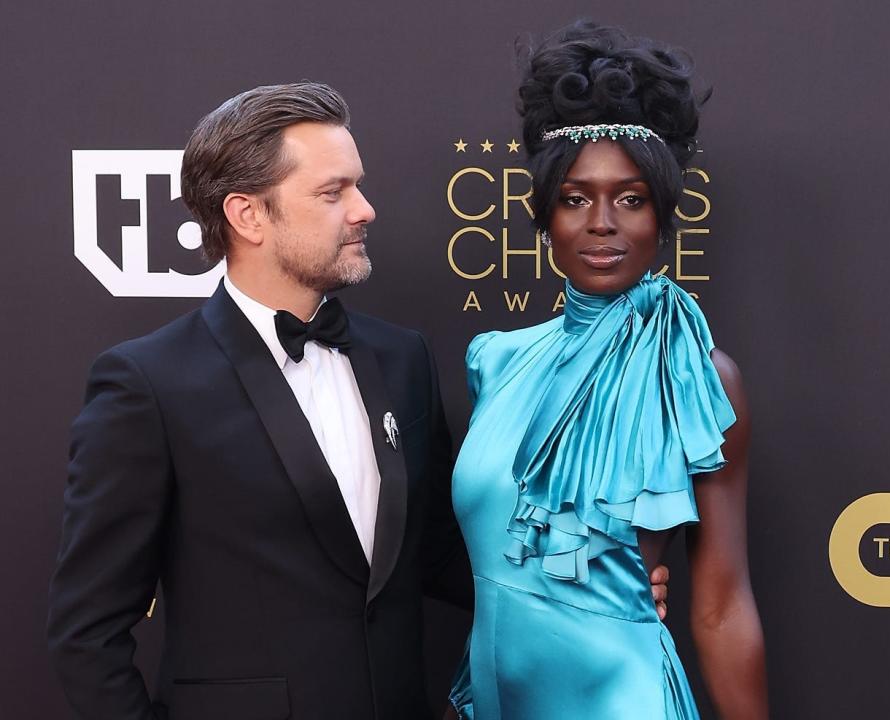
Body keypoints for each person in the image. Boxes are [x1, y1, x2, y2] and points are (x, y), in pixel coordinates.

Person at [47, 82, 671, 720]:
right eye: (332, 191)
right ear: (247, 215)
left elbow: (437, 552)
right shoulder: (148, 384)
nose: (365, 209)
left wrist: (588, 582)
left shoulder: (402, 358)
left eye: (358, 185)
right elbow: (87, 634)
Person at [449, 22, 767, 719]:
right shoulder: (495, 360)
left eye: (630, 198)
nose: (602, 222)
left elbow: (721, 604)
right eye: (574, 198)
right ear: (544, 215)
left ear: (663, 213)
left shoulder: (697, 373)